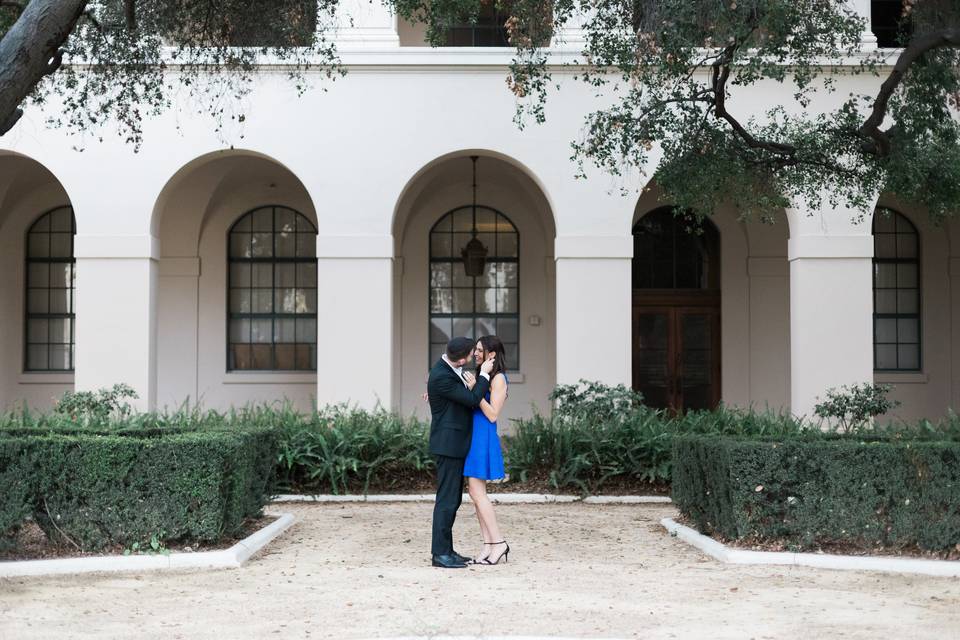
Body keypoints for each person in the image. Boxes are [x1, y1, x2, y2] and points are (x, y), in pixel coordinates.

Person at [426, 336, 496, 569]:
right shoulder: (442, 375)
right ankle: (439, 555)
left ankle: (447, 550)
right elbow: (473, 399)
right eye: (471, 354)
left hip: (453, 444)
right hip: (448, 445)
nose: (473, 357)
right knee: (446, 500)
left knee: (452, 499)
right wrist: (485, 374)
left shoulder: (448, 370)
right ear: (463, 357)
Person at [461, 335, 510, 565]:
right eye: (476, 350)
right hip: (473, 436)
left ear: (492, 354)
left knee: (478, 492)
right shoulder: (484, 376)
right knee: (473, 492)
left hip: (484, 437)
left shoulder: (498, 378)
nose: (476, 353)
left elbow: (492, 414)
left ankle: (499, 542)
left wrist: (475, 390)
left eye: (480, 350)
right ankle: (488, 545)